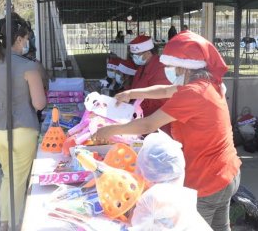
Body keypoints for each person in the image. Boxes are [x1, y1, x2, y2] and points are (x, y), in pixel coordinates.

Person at [93, 30, 241, 231]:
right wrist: (131, 93)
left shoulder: (194, 93)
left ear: (185, 68)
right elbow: (164, 90)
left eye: (172, 67)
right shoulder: (205, 83)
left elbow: (148, 125)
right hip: (226, 171)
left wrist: (111, 130)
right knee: (220, 227)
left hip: (207, 178)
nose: (169, 71)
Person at [0, 12, 47, 231]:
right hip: (22, 130)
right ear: (19, 39)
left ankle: (5, 222)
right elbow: (39, 104)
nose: (27, 42)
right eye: (26, 38)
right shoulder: (28, 66)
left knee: (8, 177)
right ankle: (13, 224)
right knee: (19, 181)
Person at [129, 35, 171, 134]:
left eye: (137, 55)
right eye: (133, 55)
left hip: (156, 123)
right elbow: (135, 87)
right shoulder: (142, 67)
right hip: (141, 117)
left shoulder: (160, 68)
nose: (134, 58)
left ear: (148, 53)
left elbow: (160, 98)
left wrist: (134, 105)